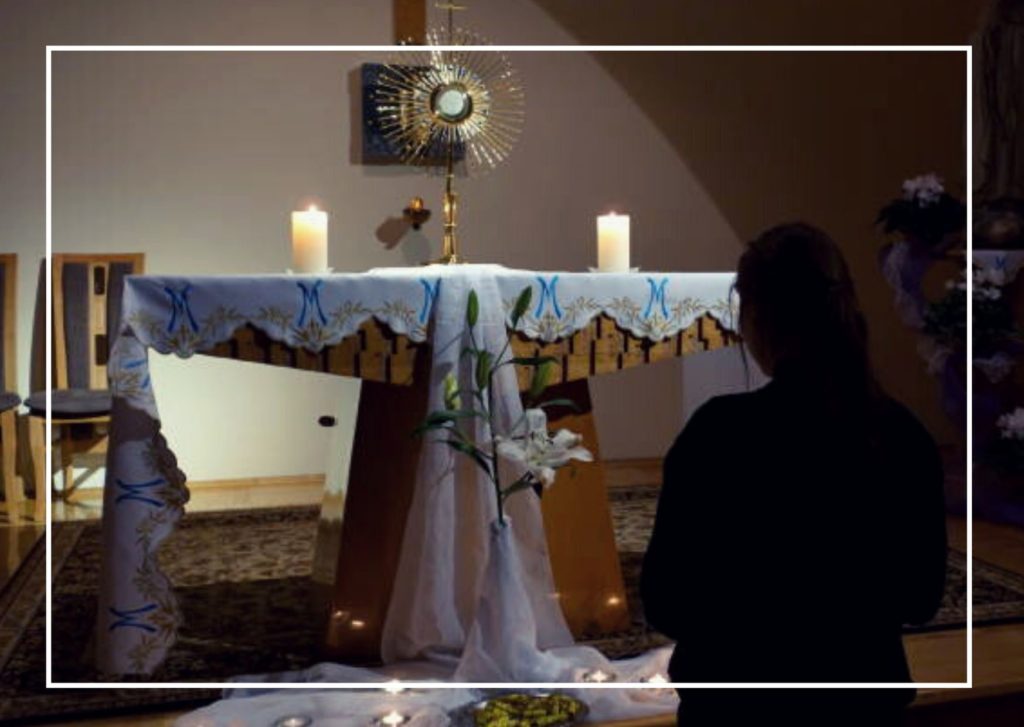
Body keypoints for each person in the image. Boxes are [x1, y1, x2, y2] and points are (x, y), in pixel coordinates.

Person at [640, 223, 948, 726]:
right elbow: (920, 598)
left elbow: (666, 602)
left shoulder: (718, 434)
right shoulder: (902, 434)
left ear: (756, 318)